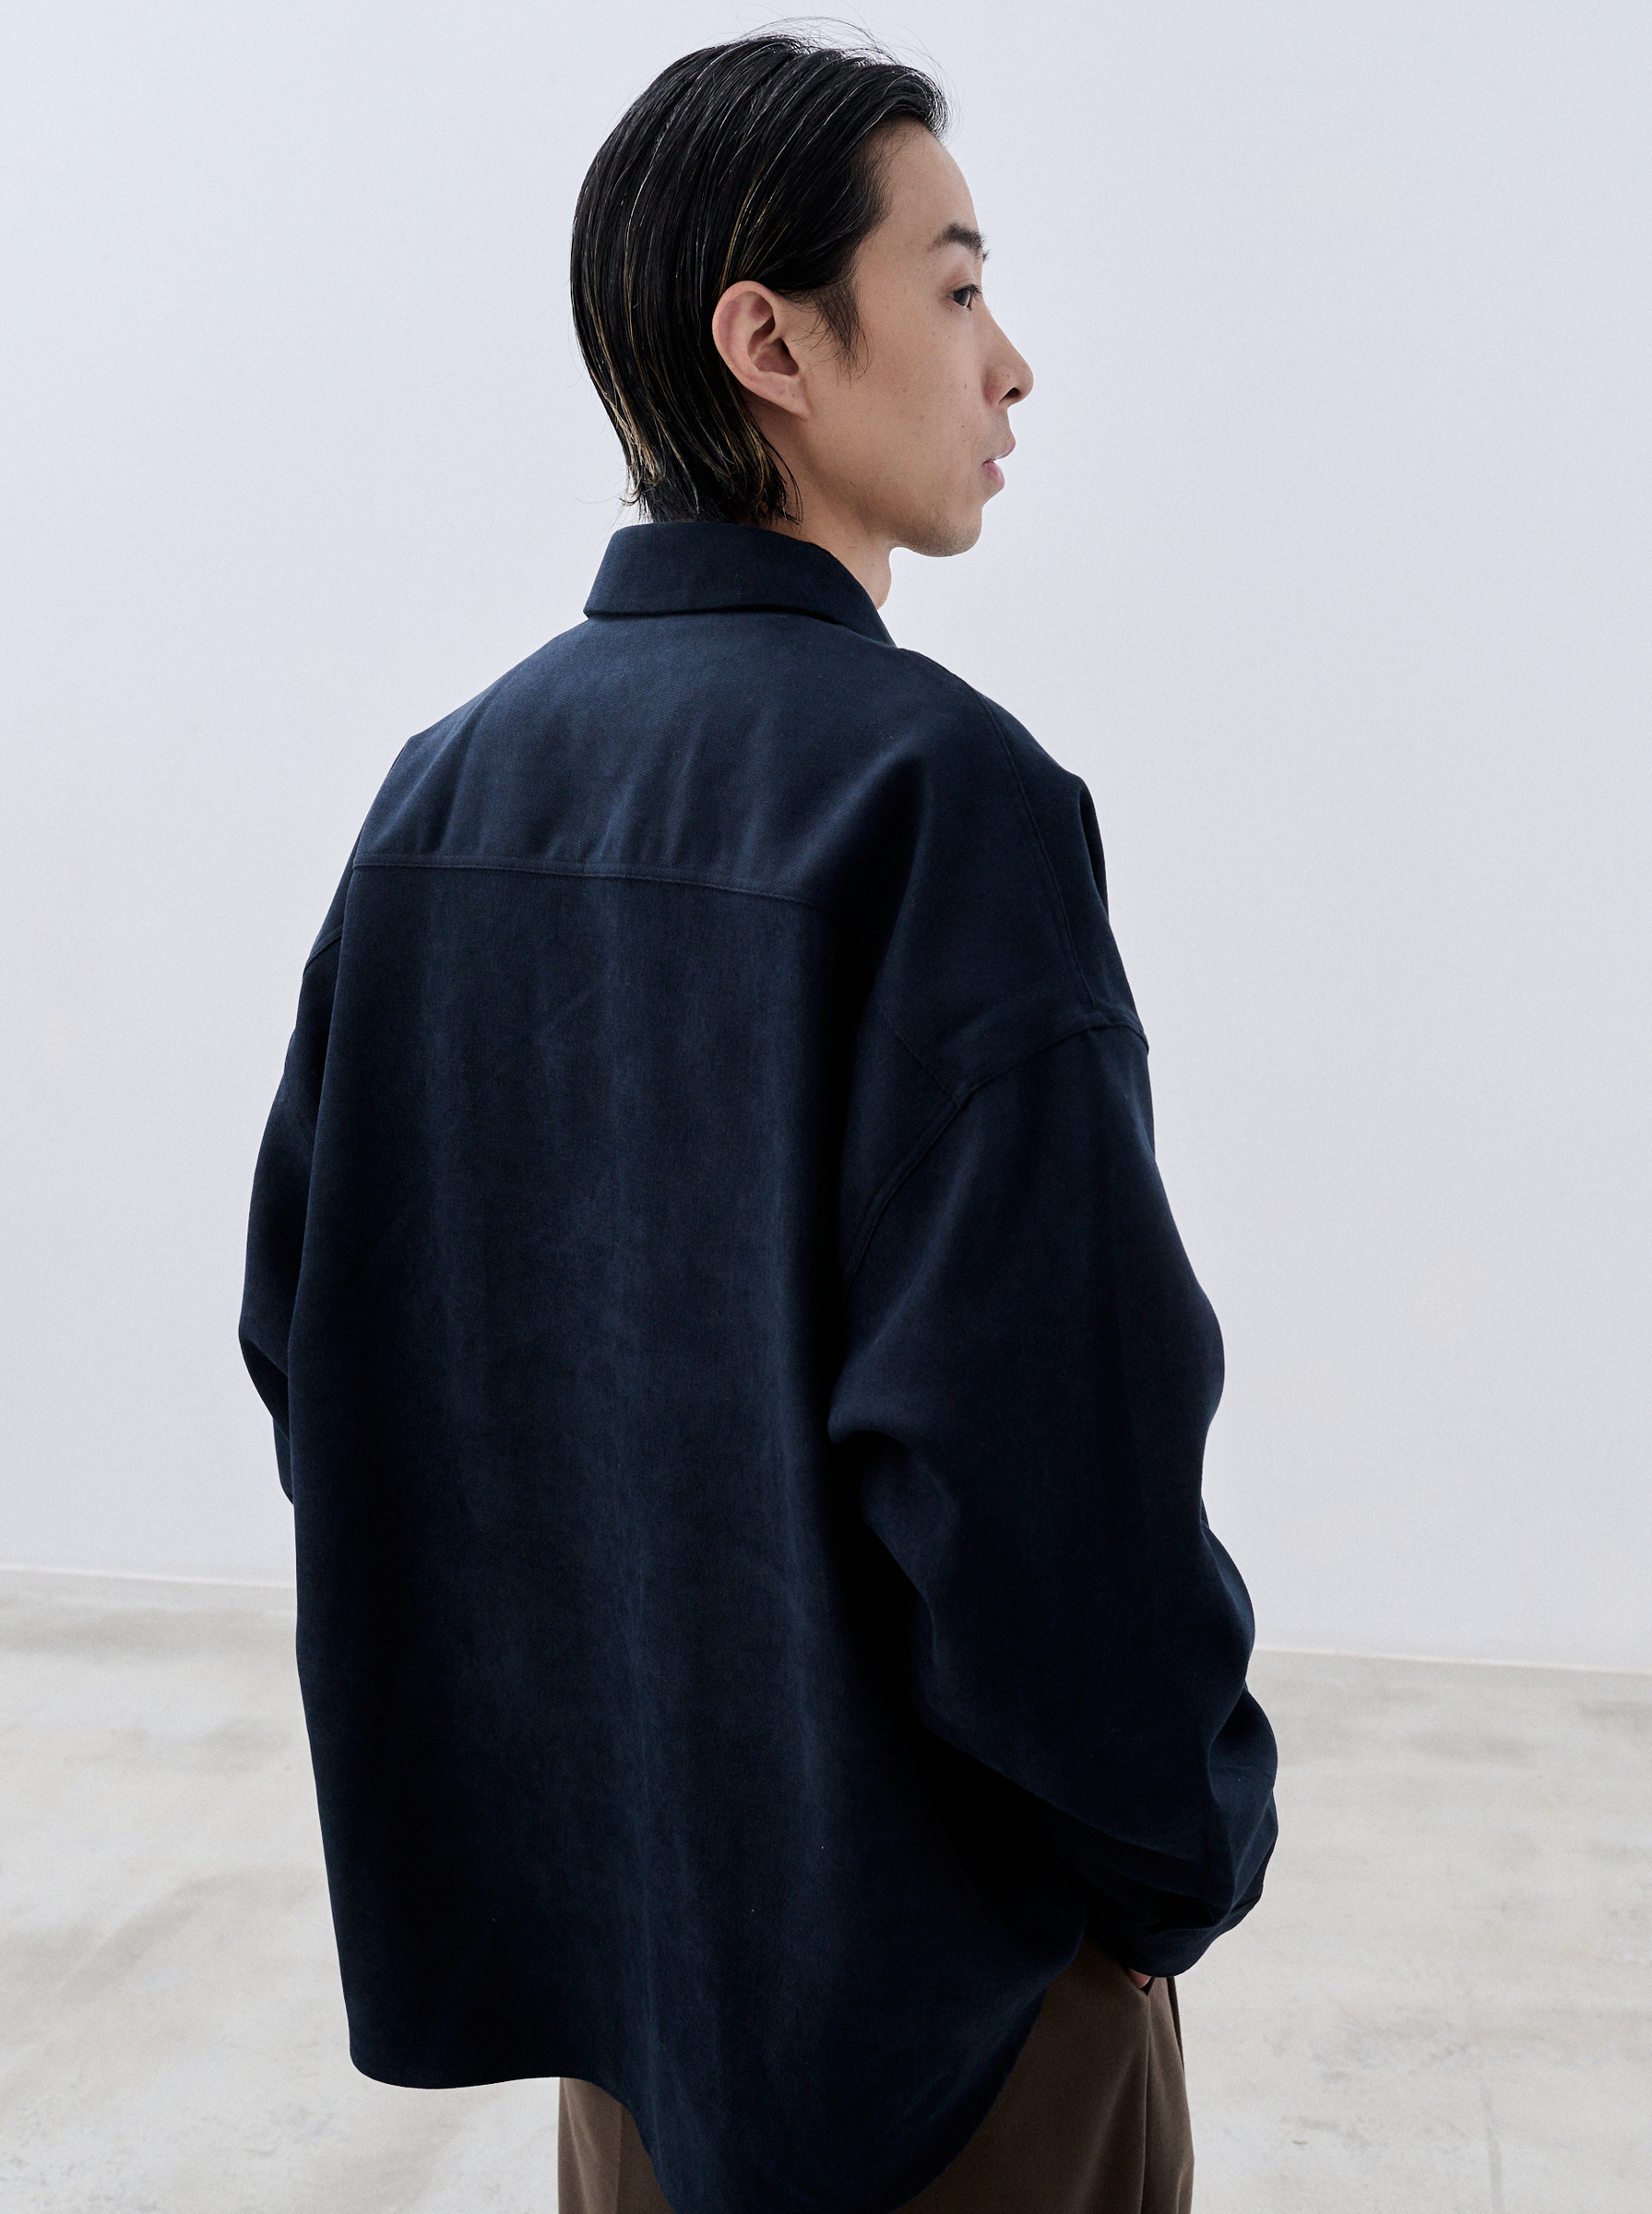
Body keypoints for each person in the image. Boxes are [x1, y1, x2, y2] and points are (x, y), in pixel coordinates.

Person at [240, 30, 1278, 2214]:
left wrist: (598, 1785)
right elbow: (1042, 1470)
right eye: (958, 286)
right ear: (772, 343)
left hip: (638, 2011)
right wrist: (1170, 1862)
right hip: (951, 2037)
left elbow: (320, 1350)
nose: (1013, 363)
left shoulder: (441, 798)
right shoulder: (945, 801)